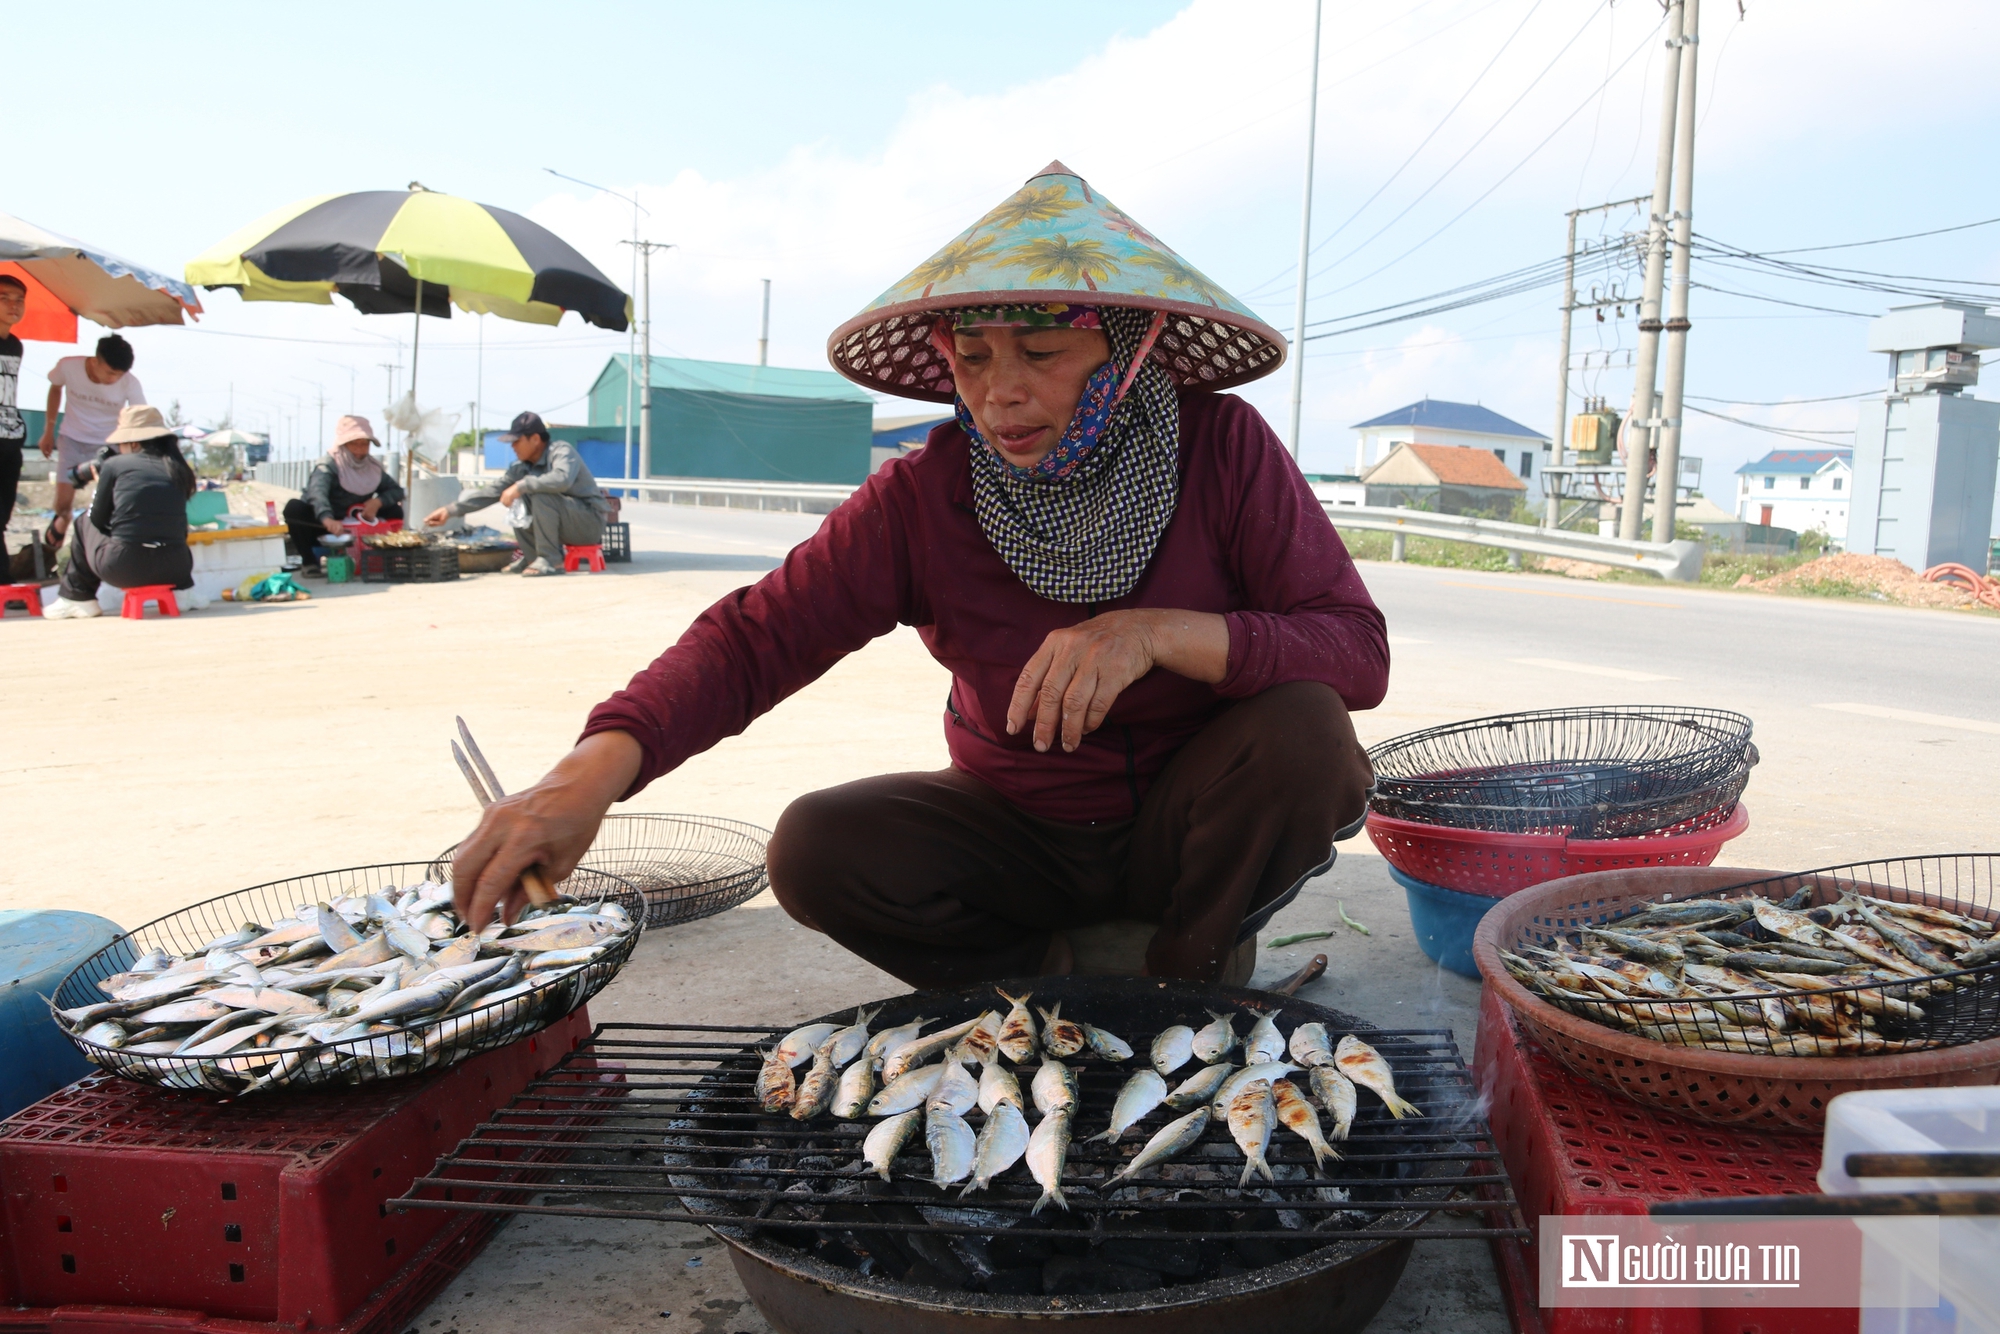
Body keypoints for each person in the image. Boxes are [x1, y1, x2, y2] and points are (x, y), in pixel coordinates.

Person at [445, 164, 1388, 988]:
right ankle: (1054, 987)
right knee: (816, 848)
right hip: (1019, 828)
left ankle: (1189, 967)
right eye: (971, 360)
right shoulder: (924, 494)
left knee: (1308, 731)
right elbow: (757, 636)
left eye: (1042, 354)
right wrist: (590, 774)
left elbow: (1355, 649)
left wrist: (1155, 632)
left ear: (1126, 349)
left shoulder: (1223, 447)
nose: (998, 392)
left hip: (1192, 828)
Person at [43, 404, 195, 619]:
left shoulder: (115, 465)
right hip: (177, 567)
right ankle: (183, 594)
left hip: (125, 568)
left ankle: (77, 597)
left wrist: (101, 485)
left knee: (83, 521)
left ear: (133, 442)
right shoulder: (179, 468)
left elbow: (97, 519)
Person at [423, 411, 605, 577]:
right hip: (564, 524)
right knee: (520, 498)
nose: (513, 447)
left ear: (534, 439)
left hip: (588, 524)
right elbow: (492, 492)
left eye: (517, 441)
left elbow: (562, 479)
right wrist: (451, 510)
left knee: (540, 494)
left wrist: (522, 485)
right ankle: (532, 557)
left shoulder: (561, 451)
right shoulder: (521, 468)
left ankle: (551, 560)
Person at [40, 334, 143, 536]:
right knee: (61, 506)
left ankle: (100, 543)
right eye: (110, 373)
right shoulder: (68, 366)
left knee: (112, 505)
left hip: (109, 445)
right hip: (72, 439)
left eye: (119, 375)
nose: (114, 379)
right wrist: (48, 431)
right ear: (95, 362)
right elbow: (55, 387)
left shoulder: (130, 383)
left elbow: (140, 417)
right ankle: (59, 532)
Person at [283, 415, 405, 575]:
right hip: (323, 526)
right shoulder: (329, 465)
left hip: (356, 523)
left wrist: (378, 502)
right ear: (344, 444)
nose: (360, 450)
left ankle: (383, 556)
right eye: (355, 444)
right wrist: (326, 518)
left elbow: (397, 491)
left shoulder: (372, 468)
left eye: (364, 444)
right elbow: (317, 493)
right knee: (294, 509)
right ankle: (309, 561)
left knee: (395, 510)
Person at [0, 275, 25, 565]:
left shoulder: (15, 345)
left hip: (10, 440)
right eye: (4, 298)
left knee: (4, 513)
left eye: (19, 300)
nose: (13, 305)